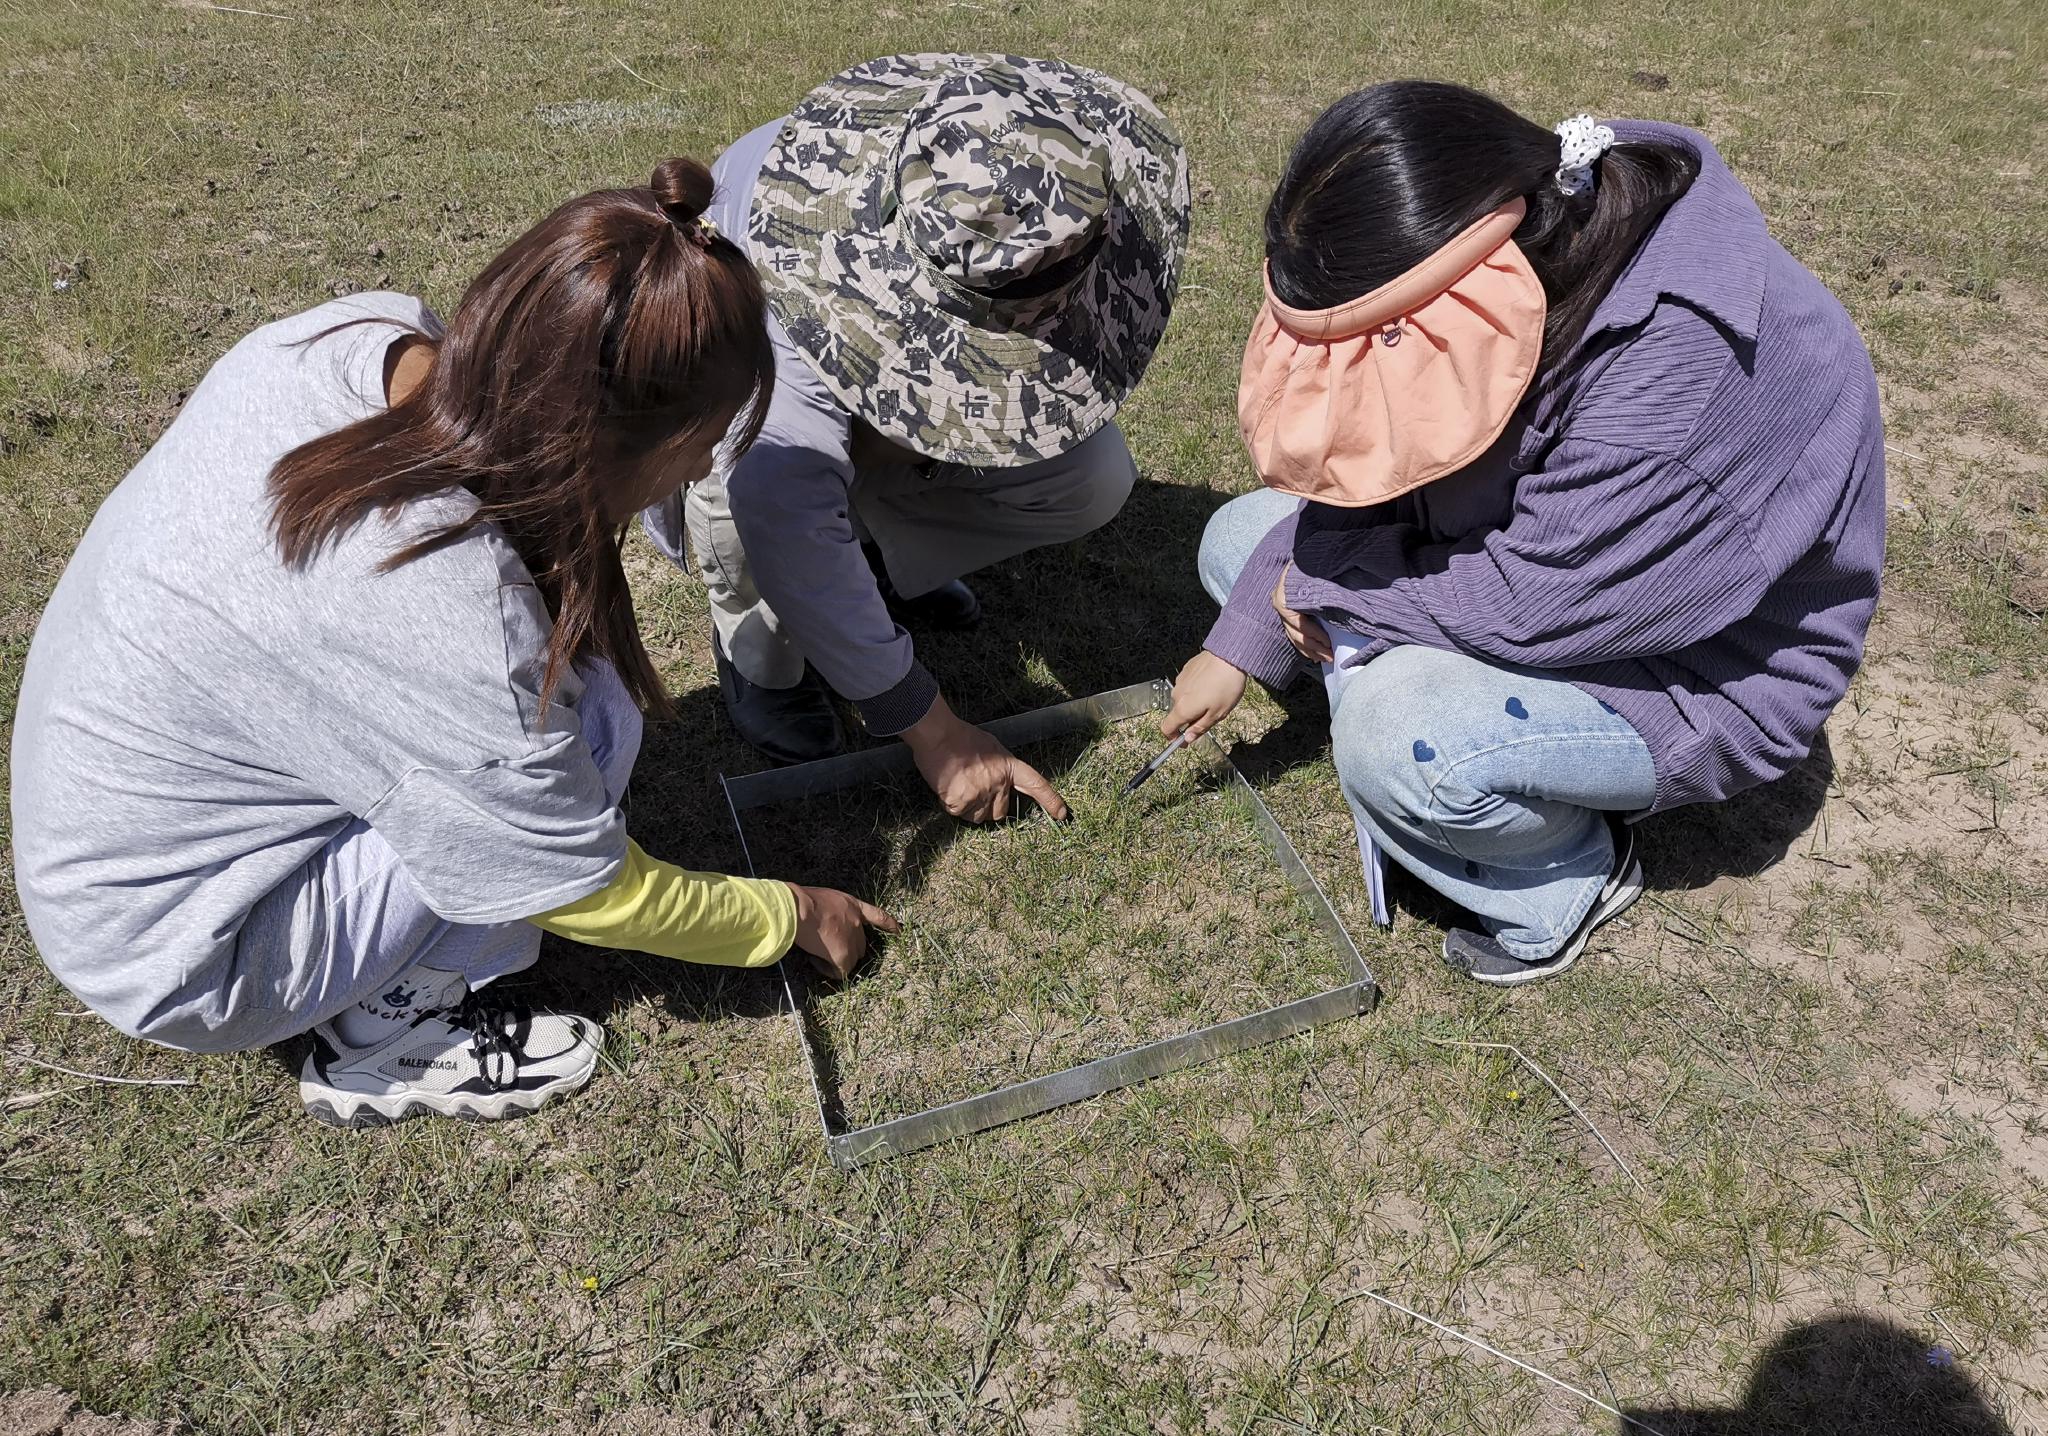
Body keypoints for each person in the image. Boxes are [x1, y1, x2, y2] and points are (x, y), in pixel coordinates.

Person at [10, 159, 898, 1126]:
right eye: (704, 448)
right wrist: (786, 916)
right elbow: (580, 887)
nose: (699, 473)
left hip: (110, 835)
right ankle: (388, 1034)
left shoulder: (359, 336)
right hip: (184, 945)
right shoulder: (456, 620)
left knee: (573, 708)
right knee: (587, 740)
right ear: (629, 443)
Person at [1164, 83, 1884, 985]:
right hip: (1532, 555)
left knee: (1399, 739)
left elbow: (1536, 607)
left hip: (1690, 669)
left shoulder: (1678, 386)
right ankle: (1402, 685)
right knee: (1240, 542)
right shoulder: (1543, 225)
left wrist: (1328, 594)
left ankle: (1567, 878)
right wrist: (1244, 639)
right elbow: (1389, 454)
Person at [645, 53, 1189, 823]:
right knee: (748, 505)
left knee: (1090, 473)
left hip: (875, 395)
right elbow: (781, 512)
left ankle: (876, 565)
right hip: (756, 424)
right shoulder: (787, 296)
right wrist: (933, 731)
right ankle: (759, 659)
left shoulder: (1008, 162)